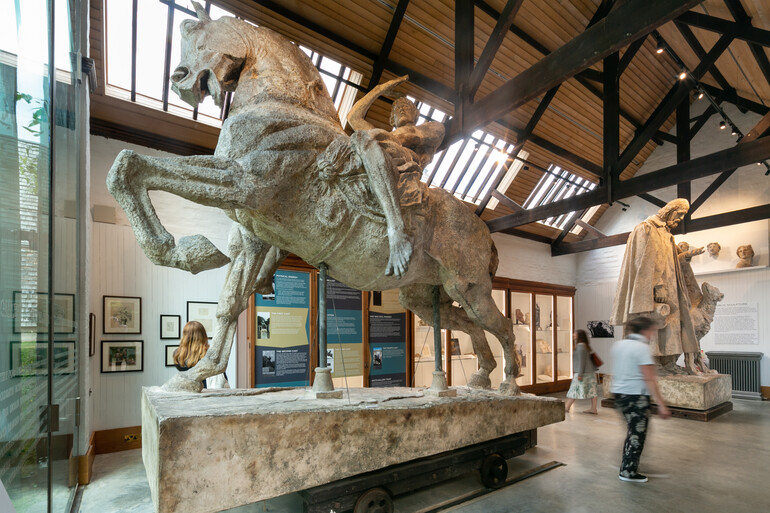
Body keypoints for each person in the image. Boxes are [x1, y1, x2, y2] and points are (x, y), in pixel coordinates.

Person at [346, 75, 445, 279]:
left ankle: (396, 230)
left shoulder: (430, 128)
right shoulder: (381, 135)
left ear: (416, 114)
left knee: (366, 142)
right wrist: (379, 89)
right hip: (379, 163)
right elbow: (353, 118)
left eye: (406, 106)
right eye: (397, 108)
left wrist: (377, 135)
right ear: (391, 119)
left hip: (403, 165)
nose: (401, 108)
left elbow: (410, 136)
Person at [610, 198, 699, 375]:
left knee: (671, 325)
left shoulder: (666, 234)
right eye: (680, 214)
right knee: (655, 324)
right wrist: (657, 286)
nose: (680, 219)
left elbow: (669, 261)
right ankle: (654, 363)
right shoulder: (646, 228)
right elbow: (644, 261)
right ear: (669, 211)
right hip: (652, 291)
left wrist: (685, 257)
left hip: (671, 287)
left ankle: (668, 362)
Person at [611, 316, 671, 483]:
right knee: (637, 433)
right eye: (652, 331)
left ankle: (627, 463)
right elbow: (649, 378)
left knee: (632, 431)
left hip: (619, 394)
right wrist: (662, 405)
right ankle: (627, 471)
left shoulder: (618, 345)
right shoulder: (641, 348)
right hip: (635, 396)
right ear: (645, 330)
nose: (652, 334)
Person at [173, 321, 229, 388]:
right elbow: (221, 374)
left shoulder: (178, 355)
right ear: (203, 335)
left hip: (188, 390)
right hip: (208, 391)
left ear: (185, 336)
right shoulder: (211, 353)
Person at [564, 329, 598, 414]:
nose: (573, 334)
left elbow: (582, 361)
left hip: (583, 373)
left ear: (579, 335)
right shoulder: (585, 345)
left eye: (575, 333)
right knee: (592, 390)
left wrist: (580, 374)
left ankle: (566, 407)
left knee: (574, 389)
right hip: (590, 372)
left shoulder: (580, 346)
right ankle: (594, 408)